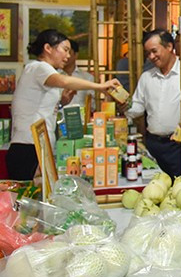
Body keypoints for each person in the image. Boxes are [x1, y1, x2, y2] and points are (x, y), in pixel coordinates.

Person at [8, 29, 120, 180]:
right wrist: (100, 86)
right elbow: (64, 81)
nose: (68, 56)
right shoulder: (38, 67)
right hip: (28, 147)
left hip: (37, 146)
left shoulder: (42, 70)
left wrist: (62, 103)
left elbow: (41, 106)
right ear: (48, 48)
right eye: (65, 50)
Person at [126, 29, 181, 178]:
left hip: (179, 146)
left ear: (169, 46)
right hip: (153, 144)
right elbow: (137, 108)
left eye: (154, 51)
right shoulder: (147, 77)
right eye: (148, 53)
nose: (151, 57)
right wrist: (124, 104)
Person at [60, 39, 94, 110]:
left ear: (76, 55)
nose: (66, 55)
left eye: (68, 52)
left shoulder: (87, 77)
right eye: (63, 52)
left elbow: (92, 104)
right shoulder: (54, 76)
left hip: (81, 116)